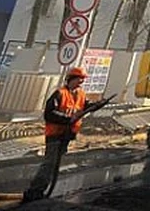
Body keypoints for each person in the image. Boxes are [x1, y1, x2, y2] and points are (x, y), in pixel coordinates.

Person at [22, 67, 106, 203]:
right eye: (79, 79)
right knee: (49, 164)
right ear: (71, 79)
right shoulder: (59, 94)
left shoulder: (81, 94)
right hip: (55, 135)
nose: (81, 82)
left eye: (82, 80)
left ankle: (40, 190)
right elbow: (49, 114)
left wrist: (98, 105)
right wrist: (67, 119)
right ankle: (34, 191)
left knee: (54, 165)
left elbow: (86, 107)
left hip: (67, 135)